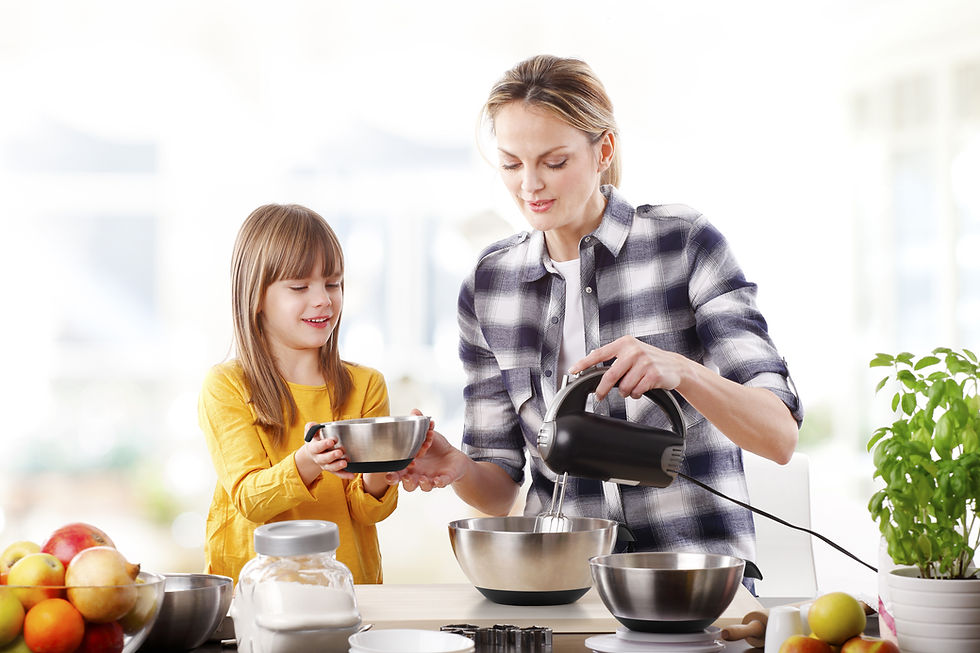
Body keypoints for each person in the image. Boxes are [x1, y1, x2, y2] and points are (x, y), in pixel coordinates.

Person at [395, 55, 804, 581]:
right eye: (512, 164)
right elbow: (497, 492)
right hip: (559, 581)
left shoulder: (683, 243)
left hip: (691, 579)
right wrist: (457, 467)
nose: (530, 186)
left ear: (602, 149)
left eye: (555, 161)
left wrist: (681, 370)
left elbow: (779, 436)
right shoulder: (489, 285)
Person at [199, 203, 407, 584]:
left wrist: (385, 468)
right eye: (299, 287)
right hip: (255, 595)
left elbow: (369, 512)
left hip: (347, 590)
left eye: (333, 283)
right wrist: (309, 461)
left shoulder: (366, 386)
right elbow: (250, 500)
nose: (324, 300)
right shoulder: (227, 386)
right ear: (256, 296)